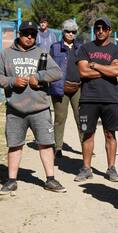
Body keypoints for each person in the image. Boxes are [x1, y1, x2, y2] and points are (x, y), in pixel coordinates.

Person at [0, 20, 66, 195]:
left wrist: (38, 77)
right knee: (15, 145)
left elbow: (57, 73)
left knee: (46, 144)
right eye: (26, 34)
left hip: (40, 108)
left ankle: (50, 179)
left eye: (33, 34)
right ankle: (11, 181)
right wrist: (12, 81)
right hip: (15, 110)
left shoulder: (42, 53)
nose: (30, 37)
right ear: (19, 34)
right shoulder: (6, 54)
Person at [74, 16, 118, 182]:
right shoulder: (85, 48)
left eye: (104, 28)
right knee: (87, 134)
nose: (100, 31)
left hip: (110, 99)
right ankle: (86, 168)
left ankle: (111, 168)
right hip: (88, 98)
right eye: (97, 28)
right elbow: (83, 72)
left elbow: (117, 72)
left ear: (109, 30)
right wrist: (107, 69)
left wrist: (95, 65)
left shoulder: (117, 50)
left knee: (110, 134)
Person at [49, 19, 83, 157]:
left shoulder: (81, 48)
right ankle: (58, 147)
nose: (70, 34)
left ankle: (85, 146)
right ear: (63, 32)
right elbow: (49, 67)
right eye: (67, 31)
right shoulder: (54, 47)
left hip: (78, 88)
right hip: (60, 88)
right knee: (59, 118)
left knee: (82, 118)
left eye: (73, 32)